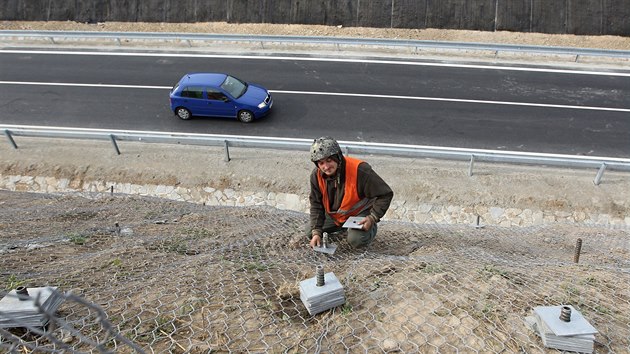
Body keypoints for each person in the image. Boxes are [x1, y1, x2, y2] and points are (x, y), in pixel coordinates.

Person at [307, 136, 393, 249]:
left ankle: (370, 229)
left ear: (337, 157)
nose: (326, 167)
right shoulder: (316, 176)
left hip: (359, 213)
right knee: (311, 232)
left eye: (329, 160)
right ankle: (341, 227)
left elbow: (385, 194)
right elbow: (316, 204)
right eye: (321, 163)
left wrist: (372, 217)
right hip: (337, 216)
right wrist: (317, 232)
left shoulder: (360, 170)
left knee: (356, 240)